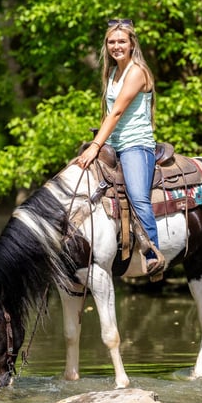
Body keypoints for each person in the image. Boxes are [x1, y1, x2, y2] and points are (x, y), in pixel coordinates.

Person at [76, 18, 164, 276]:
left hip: (136, 145)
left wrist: (95, 146)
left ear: (132, 43)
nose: (116, 46)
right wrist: (97, 143)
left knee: (137, 197)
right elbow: (108, 115)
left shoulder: (136, 71)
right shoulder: (113, 71)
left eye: (121, 41)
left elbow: (116, 113)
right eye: (111, 42)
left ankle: (152, 254)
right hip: (114, 144)